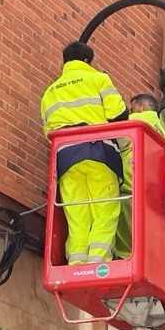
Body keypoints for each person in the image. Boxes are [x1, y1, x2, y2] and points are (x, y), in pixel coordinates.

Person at [41, 41, 127, 265]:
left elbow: (48, 131)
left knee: (77, 215)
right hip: (99, 152)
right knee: (104, 210)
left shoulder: (50, 92)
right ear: (88, 60)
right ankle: (98, 262)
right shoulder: (98, 79)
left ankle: (76, 264)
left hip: (66, 159)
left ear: (65, 61)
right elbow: (118, 115)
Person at [116, 92, 165, 258]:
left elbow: (115, 140)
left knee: (125, 229)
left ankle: (124, 257)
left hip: (130, 184)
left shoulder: (136, 121)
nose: (130, 110)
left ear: (141, 107)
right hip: (152, 191)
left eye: (132, 107)